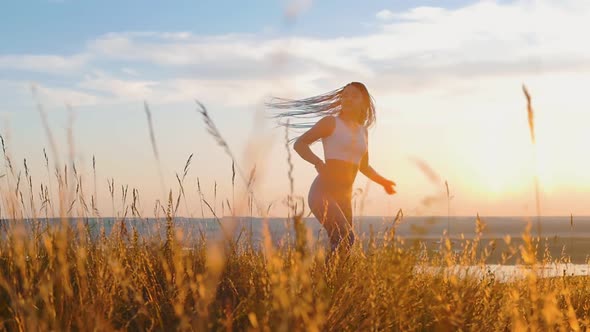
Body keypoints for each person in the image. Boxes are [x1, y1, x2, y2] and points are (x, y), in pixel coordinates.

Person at [268, 82, 396, 256]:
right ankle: (324, 281)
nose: (348, 98)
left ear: (364, 103)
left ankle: (330, 282)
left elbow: (364, 166)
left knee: (342, 245)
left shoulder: (363, 132)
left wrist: (384, 182)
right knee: (346, 238)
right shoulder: (331, 122)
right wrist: (318, 163)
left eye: (354, 96)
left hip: (345, 196)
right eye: (345, 95)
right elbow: (300, 144)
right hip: (323, 192)